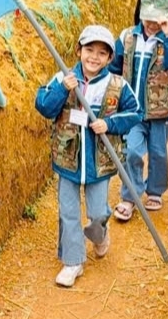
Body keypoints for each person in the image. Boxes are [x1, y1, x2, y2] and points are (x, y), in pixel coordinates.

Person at [35, 25, 140, 287]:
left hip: (100, 163)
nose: (94, 57)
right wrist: (62, 88)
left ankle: (100, 234)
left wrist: (110, 124)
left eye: (101, 53)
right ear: (79, 50)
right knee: (68, 212)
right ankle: (73, 262)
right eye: (89, 50)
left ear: (109, 58)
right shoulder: (63, 77)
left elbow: (135, 113)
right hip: (68, 160)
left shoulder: (117, 85)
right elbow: (44, 106)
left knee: (96, 212)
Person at [111, 0, 168, 220]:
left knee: (158, 153)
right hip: (133, 111)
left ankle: (155, 190)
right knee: (131, 151)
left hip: (161, 113)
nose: (152, 24)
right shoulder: (127, 37)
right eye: (148, 18)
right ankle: (130, 196)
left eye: (158, 19)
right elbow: (114, 67)